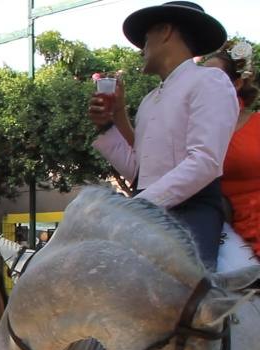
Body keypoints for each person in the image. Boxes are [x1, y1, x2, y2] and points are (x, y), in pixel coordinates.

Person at [89, 1, 237, 270]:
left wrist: (140, 206)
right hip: (146, 213)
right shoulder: (148, 100)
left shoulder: (210, 81)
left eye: (146, 40)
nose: (142, 49)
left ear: (166, 31)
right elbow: (140, 171)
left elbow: (205, 161)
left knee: (189, 289)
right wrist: (107, 124)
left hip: (191, 212)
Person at [204, 41, 260, 256]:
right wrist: (116, 118)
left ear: (236, 84)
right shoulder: (196, 131)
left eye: (213, 77)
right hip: (232, 239)